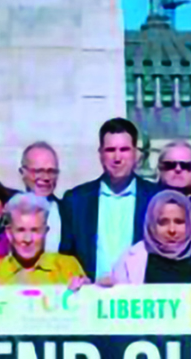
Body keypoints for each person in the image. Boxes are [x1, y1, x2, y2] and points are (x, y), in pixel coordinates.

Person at [59, 118, 160, 281]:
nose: (117, 157)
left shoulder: (155, 198)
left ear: (136, 153)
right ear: (100, 154)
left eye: (124, 149)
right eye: (110, 150)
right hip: (91, 296)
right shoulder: (76, 201)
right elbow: (66, 257)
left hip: (141, 298)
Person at [105, 190, 191, 285]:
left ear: (190, 223)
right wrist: (104, 290)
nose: (172, 230)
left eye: (179, 222)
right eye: (163, 222)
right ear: (151, 224)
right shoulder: (130, 260)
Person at [0, 193, 92, 288]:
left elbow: (89, 311)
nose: (27, 239)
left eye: (34, 230)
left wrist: (87, 292)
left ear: (45, 232)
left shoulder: (67, 267)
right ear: (9, 233)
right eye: (21, 230)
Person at [18, 141, 65, 251]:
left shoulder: (68, 214)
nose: (46, 177)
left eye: (51, 171)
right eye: (38, 171)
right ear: (22, 173)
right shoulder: (9, 212)